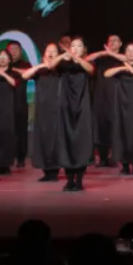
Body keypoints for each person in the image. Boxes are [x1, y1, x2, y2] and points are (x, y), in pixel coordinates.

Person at [104, 42, 133, 176]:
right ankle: (124, 165)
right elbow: (107, 74)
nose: (130, 53)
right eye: (128, 51)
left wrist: (132, 70)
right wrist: (122, 68)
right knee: (121, 132)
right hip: (121, 104)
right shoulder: (119, 65)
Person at [55, 38, 96, 192]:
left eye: (79, 46)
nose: (75, 48)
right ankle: (69, 180)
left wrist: (76, 57)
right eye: (72, 46)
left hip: (82, 107)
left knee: (81, 142)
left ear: (84, 49)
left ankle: (79, 180)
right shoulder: (63, 64)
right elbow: (51, 65)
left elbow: (90, 70)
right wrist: (63, 55)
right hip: (66, 107)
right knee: (66, 142)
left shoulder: (88, 63)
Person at [20, 44, 63, 183]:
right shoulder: (40, 71)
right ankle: (46, 171)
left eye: (54, 51)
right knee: (42, 140)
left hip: (57, 110)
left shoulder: (61, 70)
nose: (50, 54)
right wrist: (40, 66)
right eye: (48, 51)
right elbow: (24, 75)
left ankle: (54, 170)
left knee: (54, 140)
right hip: (42, 110)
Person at [86, 35, 126, 168]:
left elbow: (128, 59)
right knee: (100, 126)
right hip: (101, 95)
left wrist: (111, 53)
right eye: (110, 41)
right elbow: (87, 59)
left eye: (116, 41)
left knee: (116, 126)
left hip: (117, 95)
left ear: (120, 44)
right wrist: (104, 52)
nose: (113, 43)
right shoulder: (102, 57)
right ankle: (103, 158)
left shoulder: (122, 57)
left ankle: (115, 157)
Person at [4, 40, 30, 169]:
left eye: (16, 49)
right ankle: (5, 158)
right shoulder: (1, 65)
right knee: (6, 131)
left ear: (21, 51)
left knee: (21, 132)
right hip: (5, 103)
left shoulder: (25, 64)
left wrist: (11, 68)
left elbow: (29, 73)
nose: (13, 51)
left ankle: (21, 158)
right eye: (11, 49)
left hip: (20, 103)